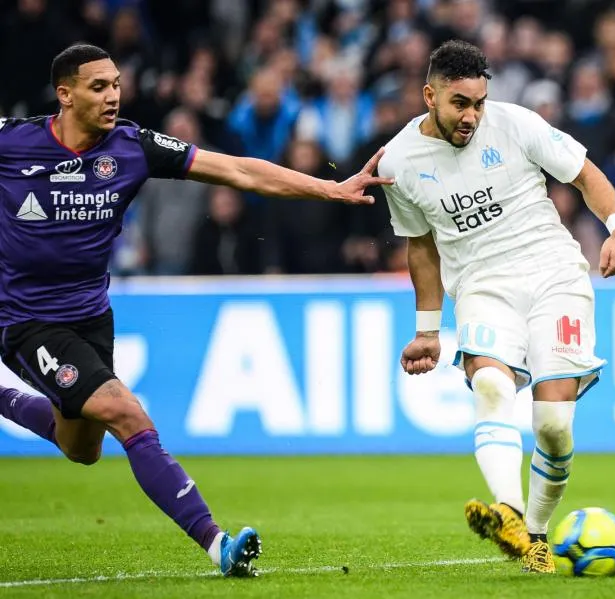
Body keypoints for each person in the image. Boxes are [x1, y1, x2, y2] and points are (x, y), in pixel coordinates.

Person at [0, 44, 391, 578]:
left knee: (82, 447)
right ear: (64, 95)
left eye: (116, 83)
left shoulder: (133, 146)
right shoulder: (11, 142)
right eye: (98, 87)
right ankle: (217, 543)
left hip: (92, 316)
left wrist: (328, 187)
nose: (113, 95)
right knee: (125, 412)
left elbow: (236, 170)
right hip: (26, 321)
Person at [378, 40, 615, 574]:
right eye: (460, 104)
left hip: (553, 273)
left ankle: (536, 534)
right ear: (430, 95)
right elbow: (421, 246)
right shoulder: (399, 161)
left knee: (554, 426)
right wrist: (428, 330)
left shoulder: (516, 124)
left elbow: (585, 174)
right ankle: (509, 512)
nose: (472, 115)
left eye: (479, 103)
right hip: (481, 286)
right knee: (492, 385)